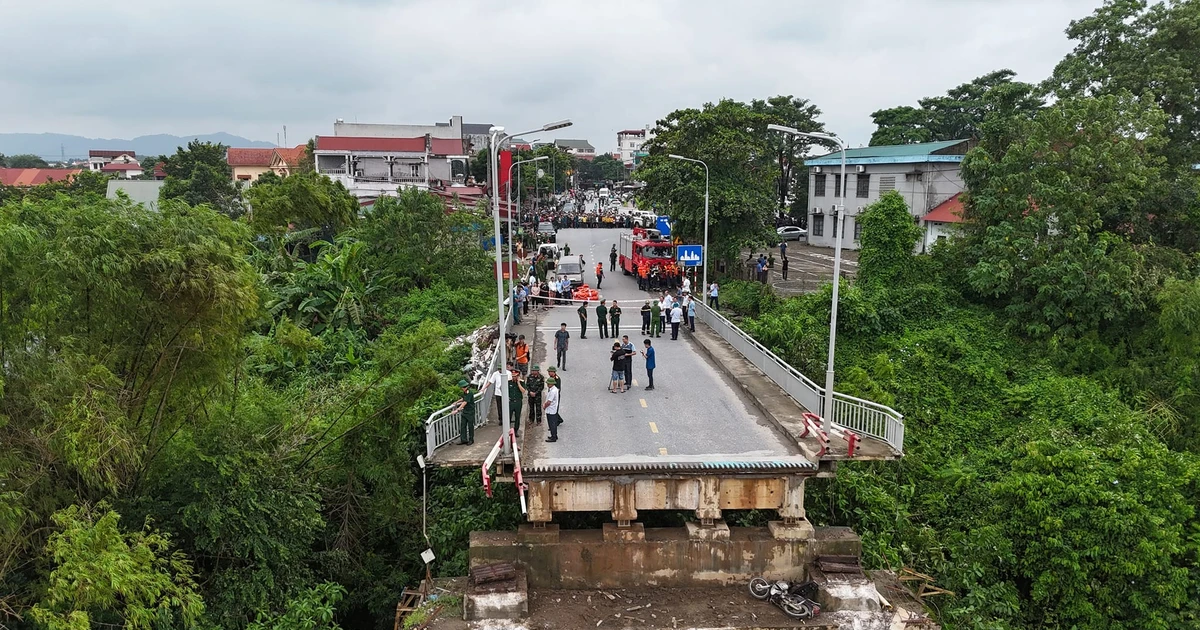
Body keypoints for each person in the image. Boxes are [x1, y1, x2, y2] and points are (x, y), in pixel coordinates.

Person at [452, 379, 476, 444]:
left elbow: (465, 402)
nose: (462, 389)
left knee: (470, 426)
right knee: (463, 425)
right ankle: (463, 439)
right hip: (465, 411)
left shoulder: (469, 392)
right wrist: (457, 402)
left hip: (470, 411)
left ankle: (471, 439)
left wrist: (457, 410)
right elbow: (463, 398)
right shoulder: (465, 392)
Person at [543, 377, 561, 442]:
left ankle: (553, 437)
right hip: (552, 409)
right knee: (552, 424)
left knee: (552, 424)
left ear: (551, 384)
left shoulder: (553, 391)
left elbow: (549, 402)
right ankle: (554, 435)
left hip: (551, 410)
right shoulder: (553, 389)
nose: (547, 384)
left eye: (548, 383)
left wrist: (544, 406)